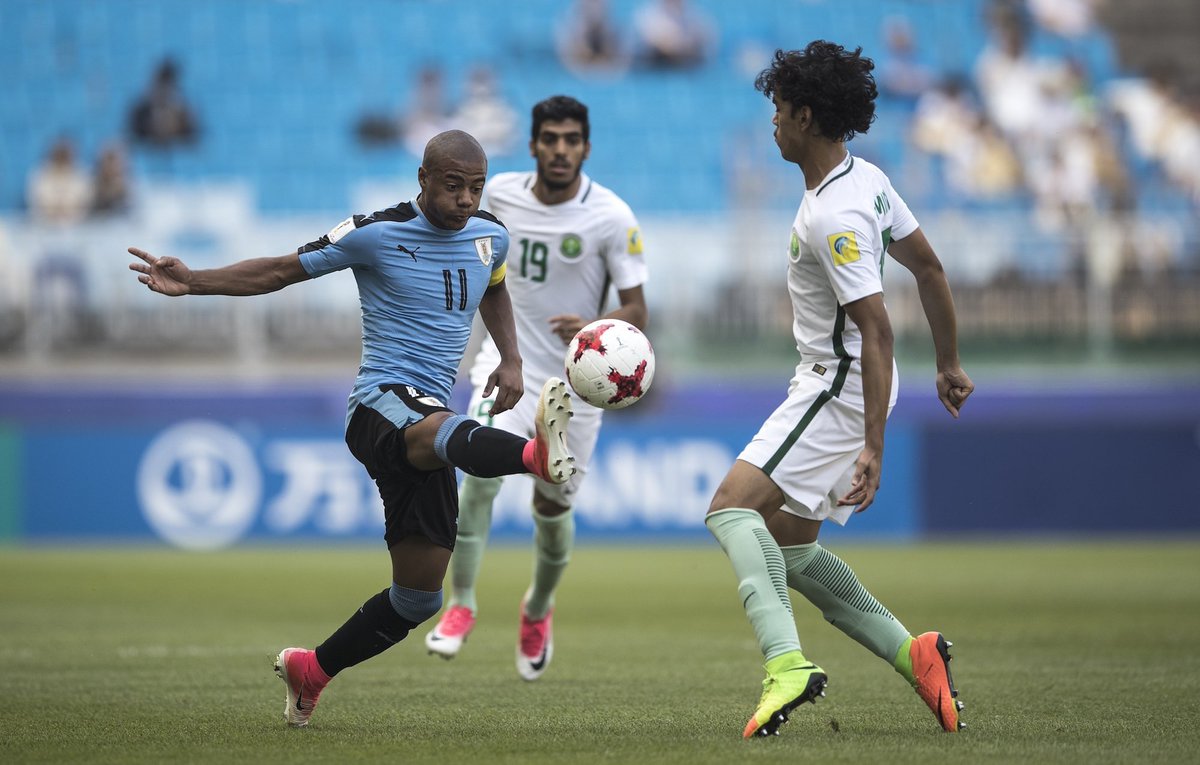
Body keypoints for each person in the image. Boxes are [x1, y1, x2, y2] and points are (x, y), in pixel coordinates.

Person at [126, 129, 579, 728]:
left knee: (419, 598)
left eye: (475, 187)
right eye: (452, 186)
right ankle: (535, 456)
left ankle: (310, 670)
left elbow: (494, 286)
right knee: (442, 428)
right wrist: (196, 281)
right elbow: (282, 270)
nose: (466, 200)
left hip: (429, 418)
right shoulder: (373, 232)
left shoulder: (490, 235)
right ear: (422, 179)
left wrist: (512, 358)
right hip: (379, 407)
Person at [703, 42, 975, 739]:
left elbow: (876, 332)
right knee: (789, 545)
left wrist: (873, 447)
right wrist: (947, 361)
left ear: (806, 113)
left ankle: (785, 662)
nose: (772, 123)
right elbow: (931, 267)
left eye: (778, 109)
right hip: (843, 387)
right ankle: (911, 652)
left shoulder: (834, 217)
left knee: (732, 509)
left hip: (836, 388)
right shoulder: (867, 179)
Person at [424, 95, 649, 681]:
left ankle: (537, 610)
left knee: (552, 508)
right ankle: (461, 605)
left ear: (585, 148)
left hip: (579, 387)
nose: (560, 149)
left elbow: (637, 308)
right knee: (475, 480)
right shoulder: (497, 197)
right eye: (550, 138)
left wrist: (600, 328)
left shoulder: (612, 216)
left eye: (571, 139)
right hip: (505, 368)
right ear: (532, 146)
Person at [129, 58, 198, 148]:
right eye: (161, 86)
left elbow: (195, 144)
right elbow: (133, 140)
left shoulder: (184, 114)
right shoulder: (140, 113)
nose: (164, 92)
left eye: (168, 87)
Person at [26, 137, 92, 224]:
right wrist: (53, 210)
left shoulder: (81, 173)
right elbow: (36, 200)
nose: (62, 157)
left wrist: (69, 210)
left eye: (65, 154)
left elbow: (86, 200)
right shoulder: (40, 174)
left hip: (76, 224)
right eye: (60, 153)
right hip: (45, 225)